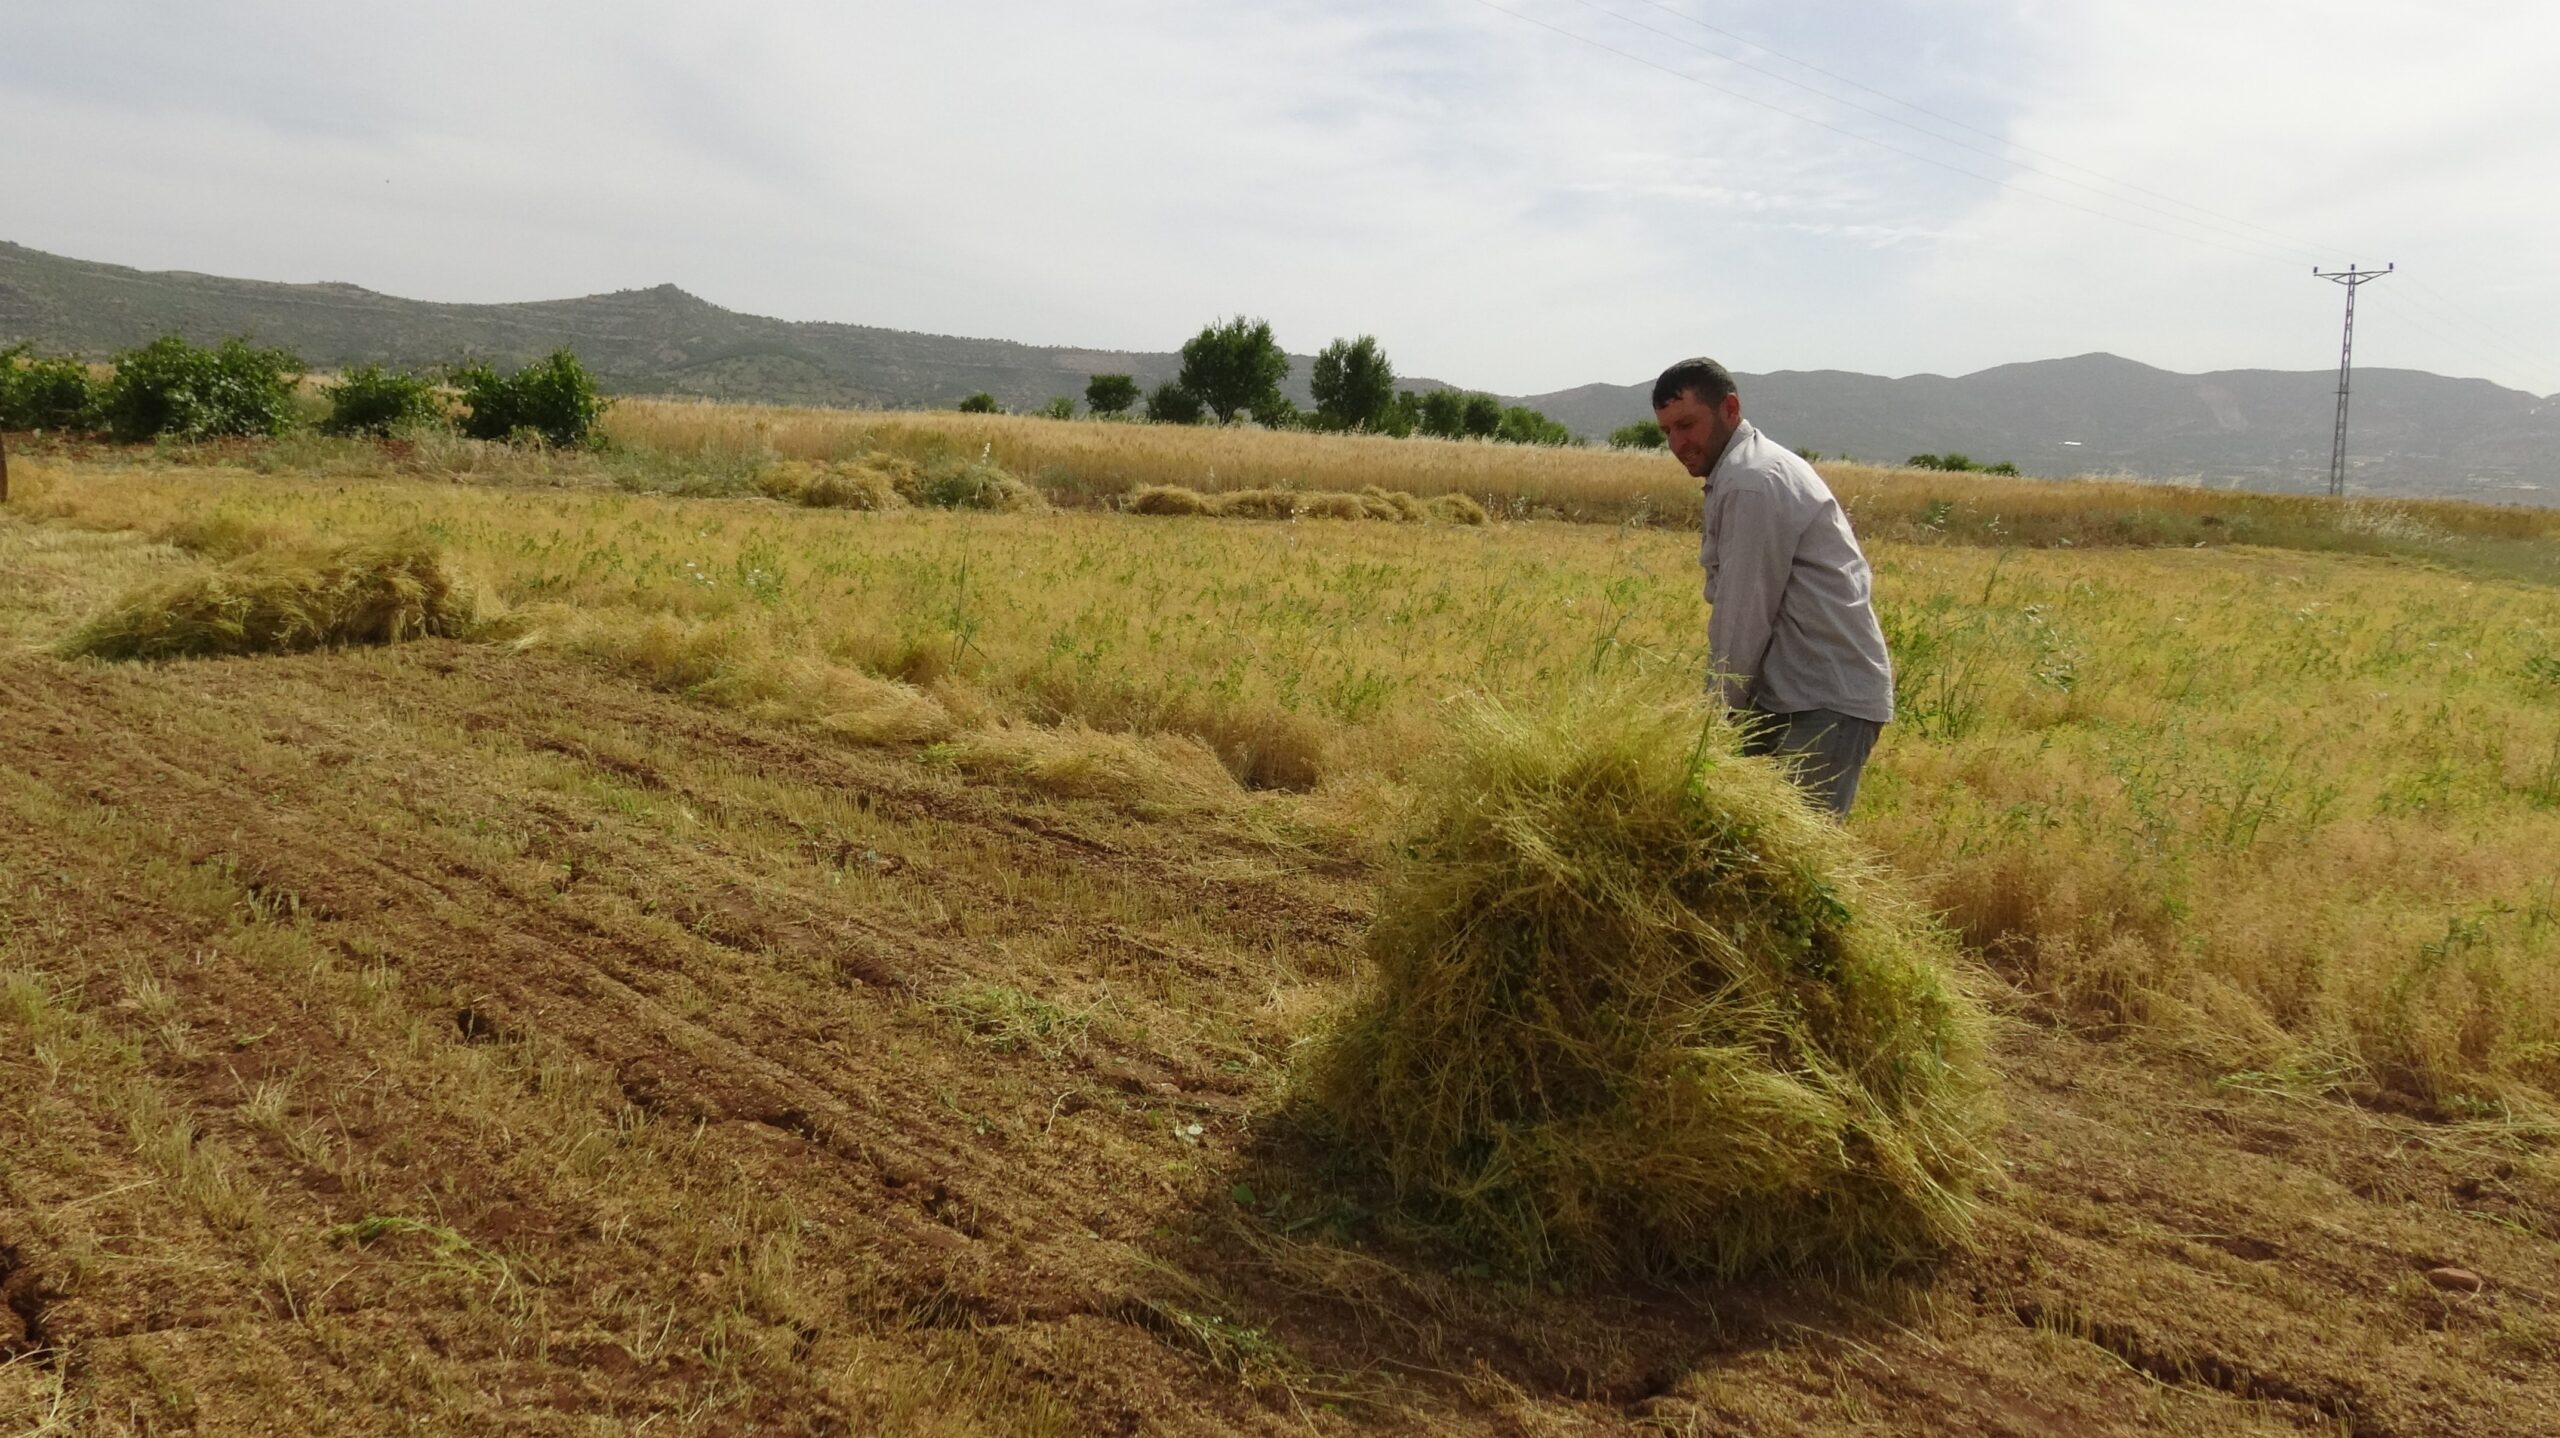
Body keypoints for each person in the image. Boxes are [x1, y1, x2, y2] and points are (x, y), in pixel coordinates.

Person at [1652, 357, 1893, 817]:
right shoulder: (1740, 472)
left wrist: (1710, 724)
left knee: (1794, 867)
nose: (1678, 443)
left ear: (1729, 408)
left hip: (1823, 697)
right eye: (1667, 432)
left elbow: (1743, 615)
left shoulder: (1752, 482)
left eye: (1687, 424)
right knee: (1747, 856)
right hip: (1785, 694)